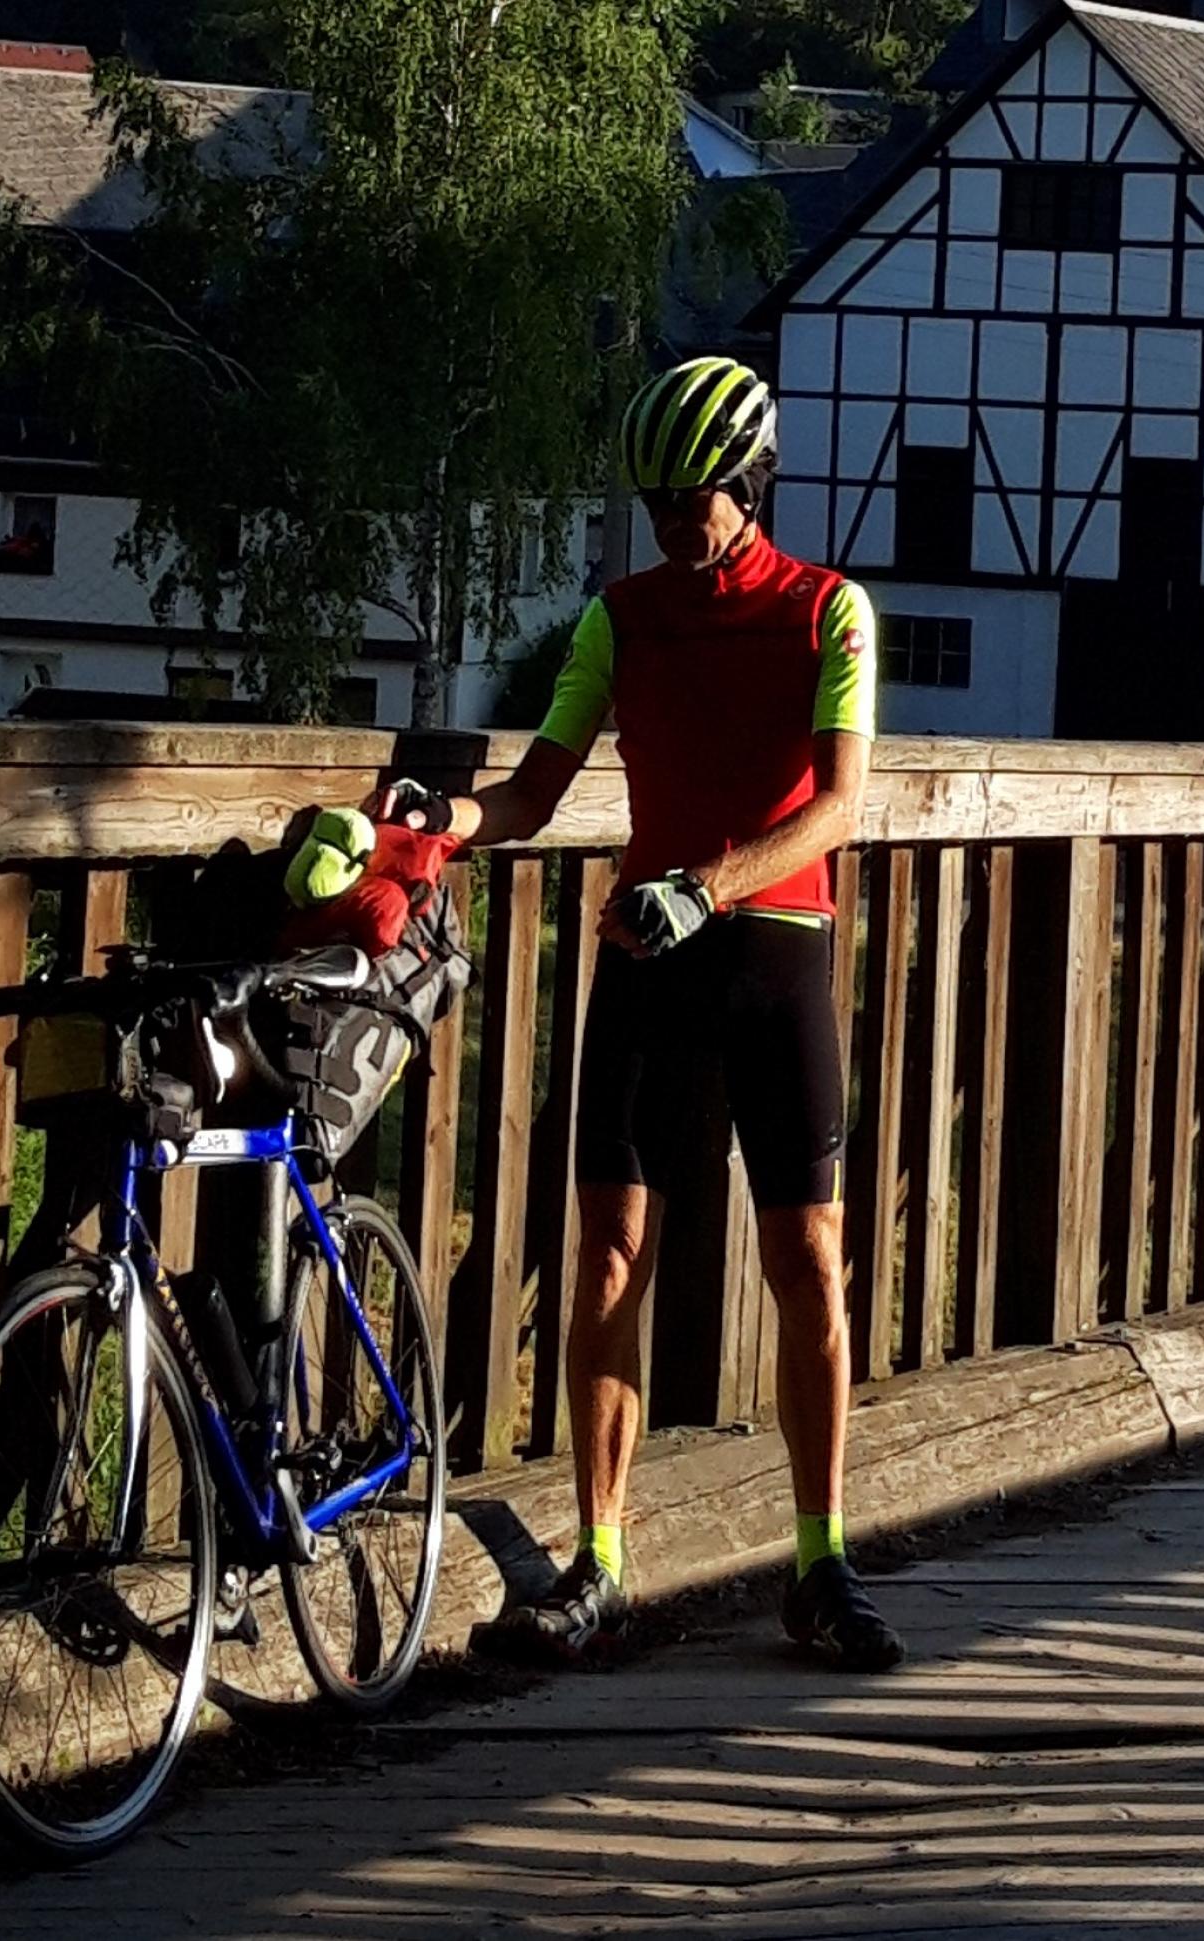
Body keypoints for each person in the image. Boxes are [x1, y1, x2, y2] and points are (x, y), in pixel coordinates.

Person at [367, 356, 901, 1672]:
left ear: (749, 485)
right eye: (657, 502)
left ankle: (821, 1556)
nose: (675, 523)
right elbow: (539, 787)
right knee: (605, 1261)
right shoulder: (619, 618)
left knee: (808, 1264)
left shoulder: (831, 613)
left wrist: (709, 885)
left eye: (697, 500)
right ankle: (598, 1557)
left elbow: (838, 804)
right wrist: (449, 825)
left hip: (772, 947)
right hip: (646, 963)